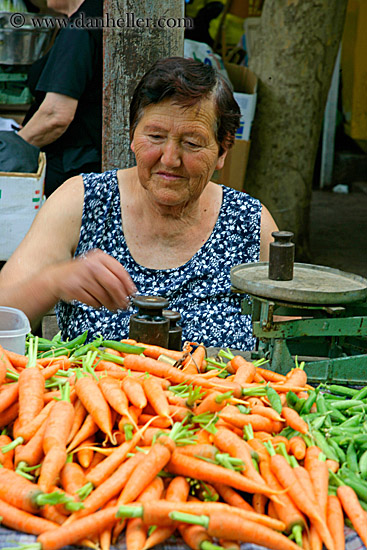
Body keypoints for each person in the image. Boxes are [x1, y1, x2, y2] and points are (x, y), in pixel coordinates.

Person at [0, 57, 278, 350]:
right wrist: (52, 281)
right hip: (97, 395)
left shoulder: (250, 223)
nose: (170, 159)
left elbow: (292, 332)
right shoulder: (82, 202)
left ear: (222, 150)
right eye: (156, 136)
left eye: (192, 143)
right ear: (132, 135)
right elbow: (3, 310)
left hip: (217, 395)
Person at [17, 0, 102, 197]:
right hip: (84, 165)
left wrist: (15, 148)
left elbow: (56, 115)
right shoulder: (92, 18)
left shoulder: (81, 28)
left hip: (73, 167)